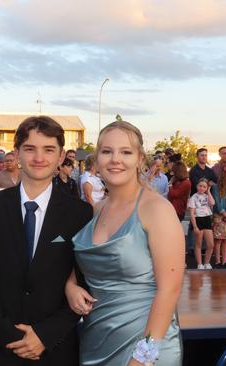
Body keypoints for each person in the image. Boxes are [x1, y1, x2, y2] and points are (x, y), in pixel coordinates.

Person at [0, 116, 93, 365]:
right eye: (30, 149)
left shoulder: (80, 214)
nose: (39, 158)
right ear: (17, 154)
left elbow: (87, 282)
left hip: (54, 350)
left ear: (60, 157)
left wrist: (44, 336)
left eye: (48, 150)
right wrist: (11, 337)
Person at [66, 119, 184, 365]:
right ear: (97, 159)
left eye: (126, 152)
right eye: (107, 151)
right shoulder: (97, 210)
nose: (115, 159)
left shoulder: (157, 209)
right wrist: (70, 285)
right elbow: (75, 262)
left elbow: (169, 289)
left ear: (140, 158)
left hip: (145, 347)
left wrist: (142, 357)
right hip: (96, 341)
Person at [189, 178, 216, 269]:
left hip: (207, 219)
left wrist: (208, 191)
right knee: (198, 244)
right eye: (200, 186)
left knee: (210, 244)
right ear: (197, 186)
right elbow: (192, 214)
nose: (201, 188)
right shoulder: (193, 197)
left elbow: (212, 203)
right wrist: (195, 226)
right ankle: (200, 264)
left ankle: (207, 263)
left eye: (204, 187)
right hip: (198, 219)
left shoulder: (207, 196)